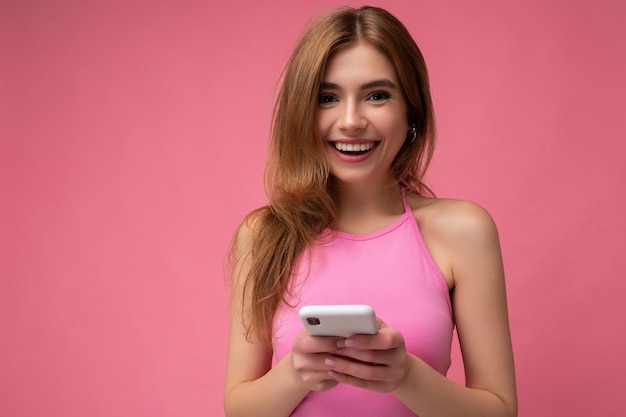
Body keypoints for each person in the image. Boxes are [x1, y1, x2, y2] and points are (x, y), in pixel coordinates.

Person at [224, 5, 517, 417]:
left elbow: (500, 410)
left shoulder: (464, 231)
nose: (351, 120)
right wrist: (295, 372)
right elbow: (238, 408)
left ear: (410, 111)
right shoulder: (264, 233)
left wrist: (406, 377)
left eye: (377, 95)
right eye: (327, 98)